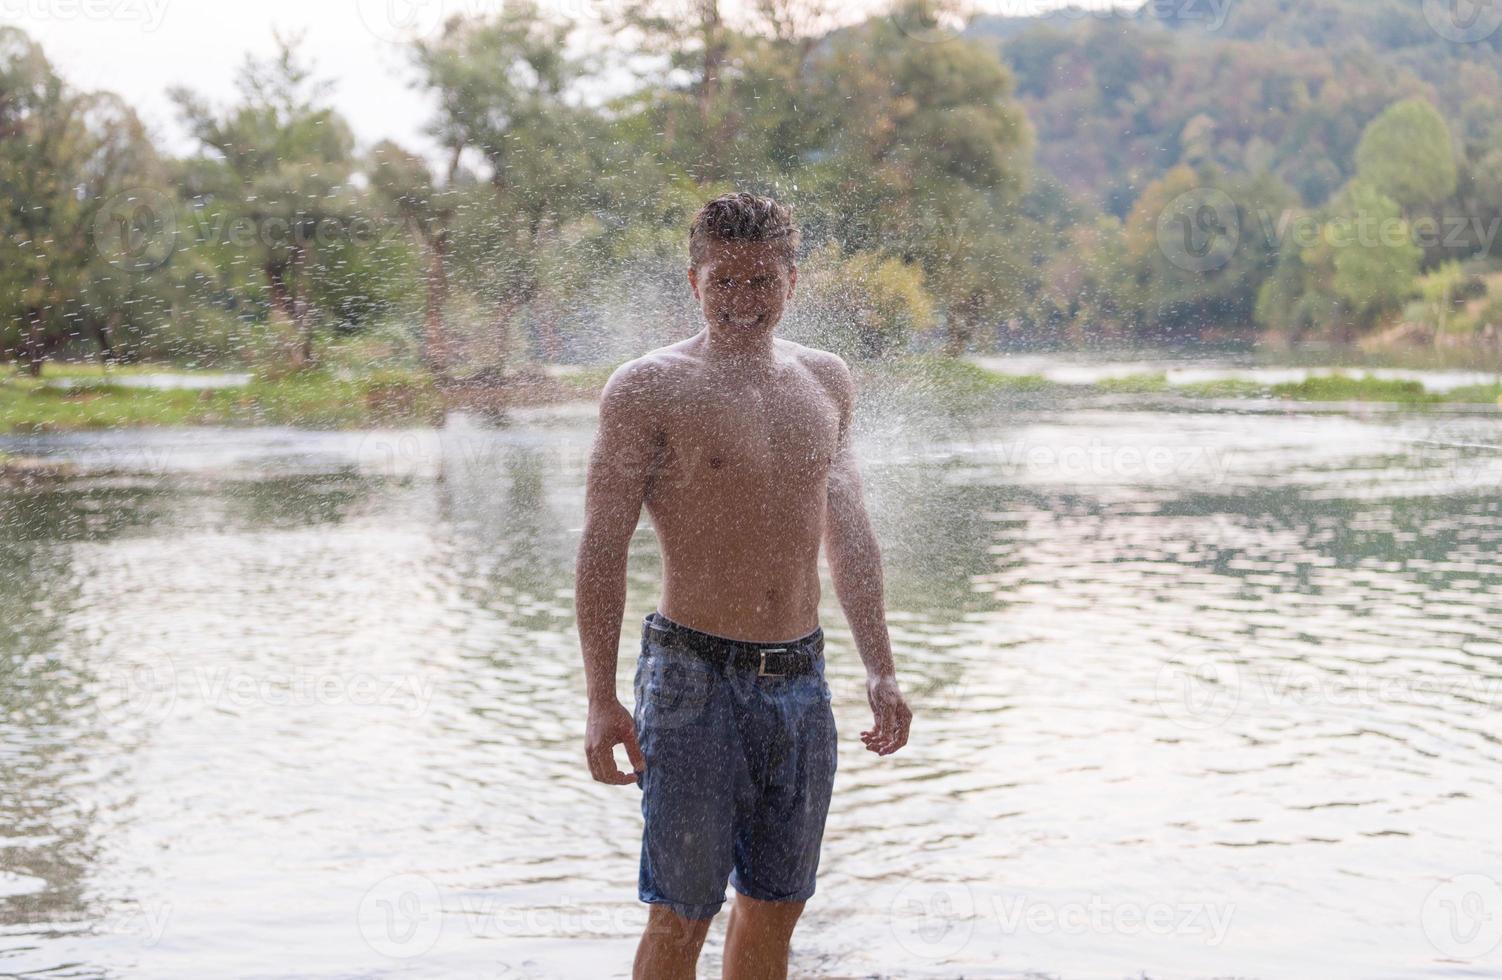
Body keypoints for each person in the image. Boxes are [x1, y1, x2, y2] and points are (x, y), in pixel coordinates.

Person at [576, 191, 912, 980]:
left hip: (800, 680)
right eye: (723, 281)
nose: (741, 301)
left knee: (777, 903)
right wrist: (600, 699)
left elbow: (852, 534)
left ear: (792, 282)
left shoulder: (825, 381)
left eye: (761, 282)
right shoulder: (645, 388)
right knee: (681, 909)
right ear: (693, 282)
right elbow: (601, 547)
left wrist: (882, 666)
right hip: (693, 679)